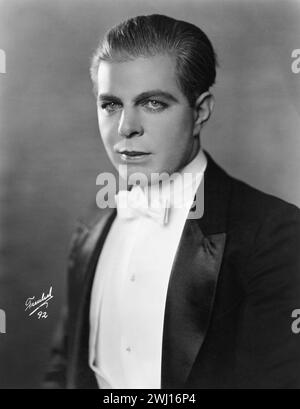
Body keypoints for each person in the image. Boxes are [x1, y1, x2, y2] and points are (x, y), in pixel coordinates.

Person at [44, 14, 300, 389]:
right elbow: (63, 366)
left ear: (201, 111)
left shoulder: (273, 233)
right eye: (111, 104)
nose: (125, 128)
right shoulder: (93, 221)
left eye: (152, 103)